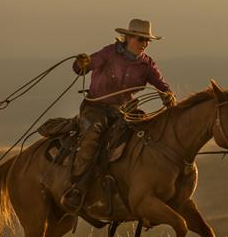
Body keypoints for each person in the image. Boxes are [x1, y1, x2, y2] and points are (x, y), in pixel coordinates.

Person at [60, 18, 176, 212]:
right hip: (96, 108)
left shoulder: (147, 65)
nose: (145, 44)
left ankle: (138, 185)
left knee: (144, 138)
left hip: (125, 111)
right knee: (92, 138)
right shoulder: (108, 53)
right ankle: (77, 188)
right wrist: (81, 63)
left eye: (147, 41)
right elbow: (83, 68)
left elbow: (161, 84)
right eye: (141, 39)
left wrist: (167, 95)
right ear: (129, 37)